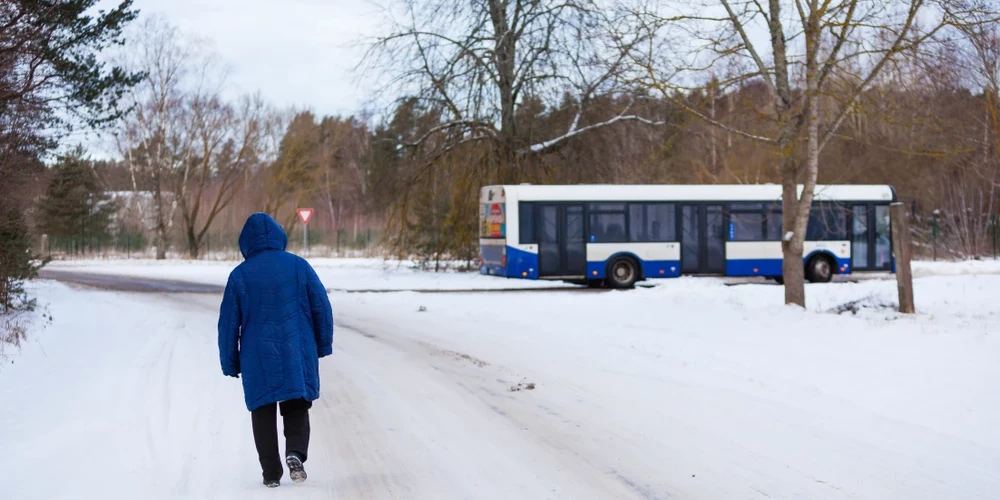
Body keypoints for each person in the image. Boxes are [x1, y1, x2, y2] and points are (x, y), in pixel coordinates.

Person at [218, 212, 334, 488]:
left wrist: (230, 362)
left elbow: (228, 324)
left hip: (256, 356)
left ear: (246, 241)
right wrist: (323, 343)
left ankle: (271, 473)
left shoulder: (239, 275)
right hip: (296, 348)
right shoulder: (299, 266)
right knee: (296, 402)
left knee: (262, 408)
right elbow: (322, 307)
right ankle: (295, 452)